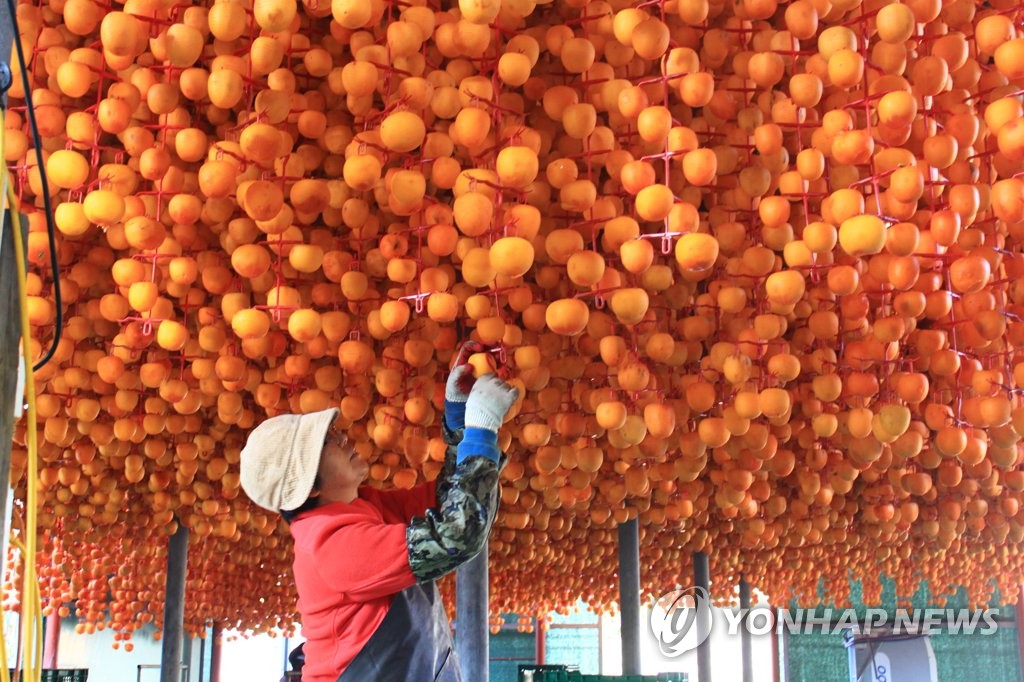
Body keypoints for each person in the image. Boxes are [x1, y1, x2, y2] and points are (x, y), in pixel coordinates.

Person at [240, 344, 519, 682]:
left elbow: (451, 503)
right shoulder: (333, 545)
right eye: (330, 442)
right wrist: (481, 430)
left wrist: (461, 428)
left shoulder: (365, 508)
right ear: (309, 486)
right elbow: (457, 534)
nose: (344, 439)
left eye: (335, 433)